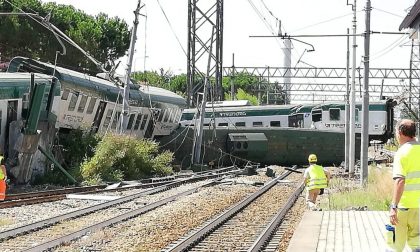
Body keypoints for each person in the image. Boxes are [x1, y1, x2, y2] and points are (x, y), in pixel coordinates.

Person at [388, 119, 420, 251]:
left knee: (395, 245)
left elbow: (400, 181)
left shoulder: (402, 153)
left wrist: (393, 206)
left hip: (403, 207)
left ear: (400, 132)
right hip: (418, 207)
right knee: (416, 244)